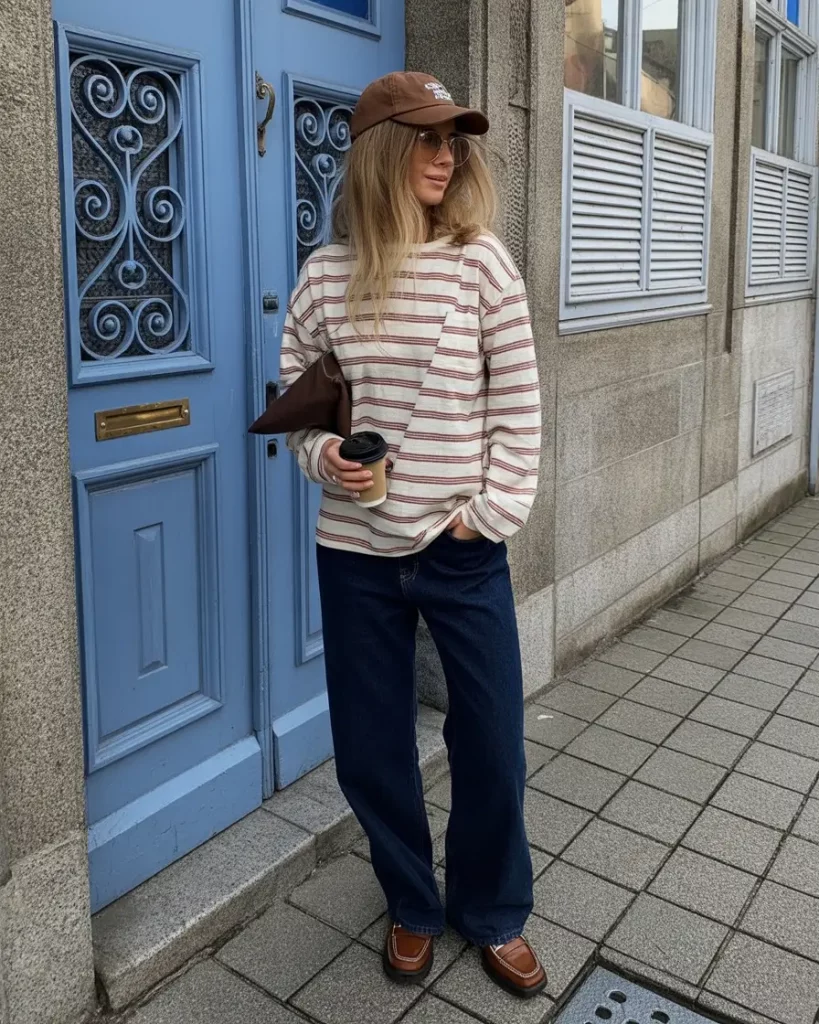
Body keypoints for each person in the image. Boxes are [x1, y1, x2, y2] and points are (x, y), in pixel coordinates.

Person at [280, 71, 546, 1000]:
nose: (446, 156)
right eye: (427, 138)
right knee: (370, 746)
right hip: (354, 554)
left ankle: (492, 909)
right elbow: (299, 410)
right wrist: (325, 459)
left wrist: (488, 515)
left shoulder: (482, 264)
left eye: (454, 142)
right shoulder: (324, 276)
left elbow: (518, 408)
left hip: (462, 549)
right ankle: (410, 902)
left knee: (492, 739)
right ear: (382, 152)